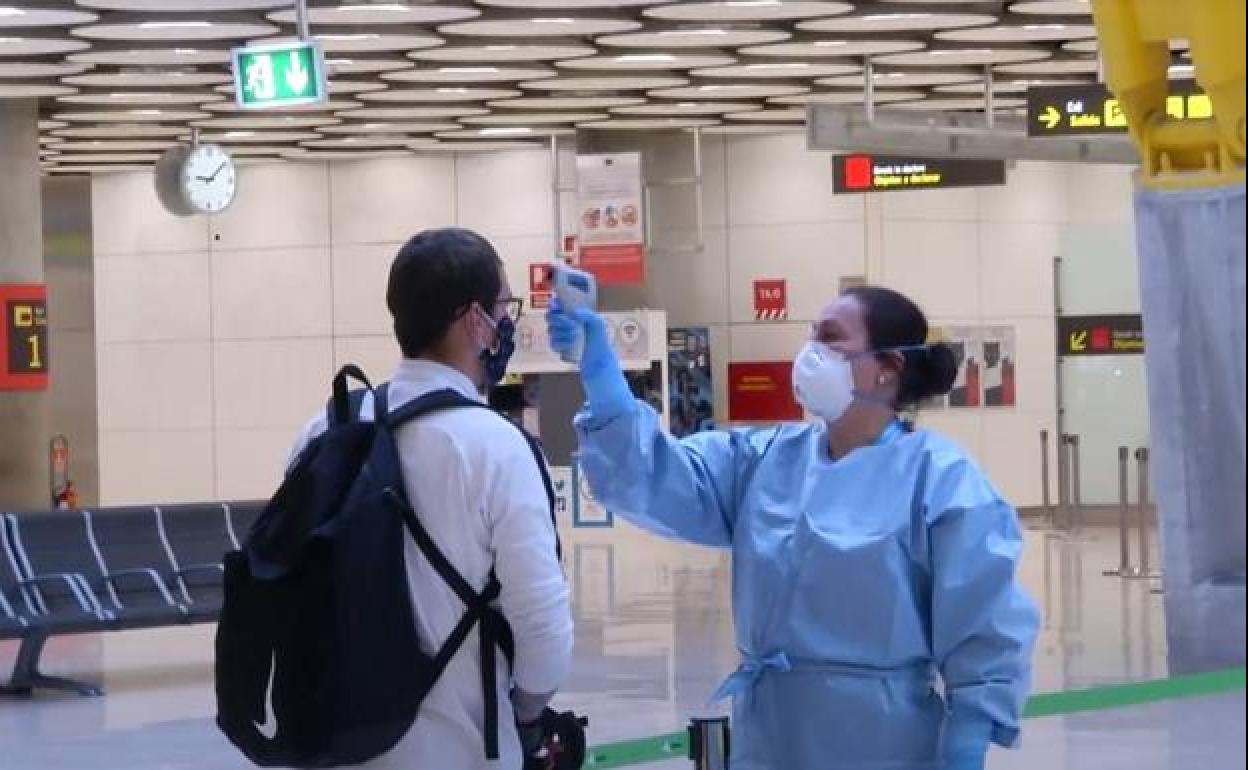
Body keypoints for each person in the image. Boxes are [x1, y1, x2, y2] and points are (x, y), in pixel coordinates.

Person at [547, 285, 1039, 770]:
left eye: (831, 338)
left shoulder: (942, 480)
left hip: (884, 742)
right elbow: (652, 477)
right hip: (769, 736)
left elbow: (983, 618)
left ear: (888, 367)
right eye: (811, 336)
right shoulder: (764, 460)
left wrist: (969, 736)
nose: (810, 353)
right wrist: (604, 379)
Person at [289, 227, 574, 770]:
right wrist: (528, 714)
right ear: (474, 320)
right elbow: (544, 629)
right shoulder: (499, 448)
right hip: (457, 752)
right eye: (503, 307)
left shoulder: (324, 430)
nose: (506, 323)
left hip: (333, 744)